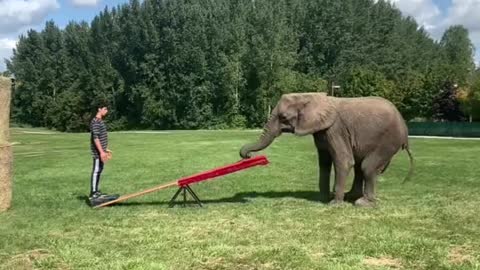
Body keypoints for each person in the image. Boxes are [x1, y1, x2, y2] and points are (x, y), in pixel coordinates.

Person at [89, 102, 117, 205]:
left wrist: (105, 149)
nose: (107, 111)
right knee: (96, 171)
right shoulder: (96, 121)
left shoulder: (100, 121)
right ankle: (93, 193)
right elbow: (95, 138)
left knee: (99, 170)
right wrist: (101, 152)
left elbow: (101, 138)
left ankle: (96, 191)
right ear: (99, 109)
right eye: (105, 109)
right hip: (97, 153)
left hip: (101, 151)